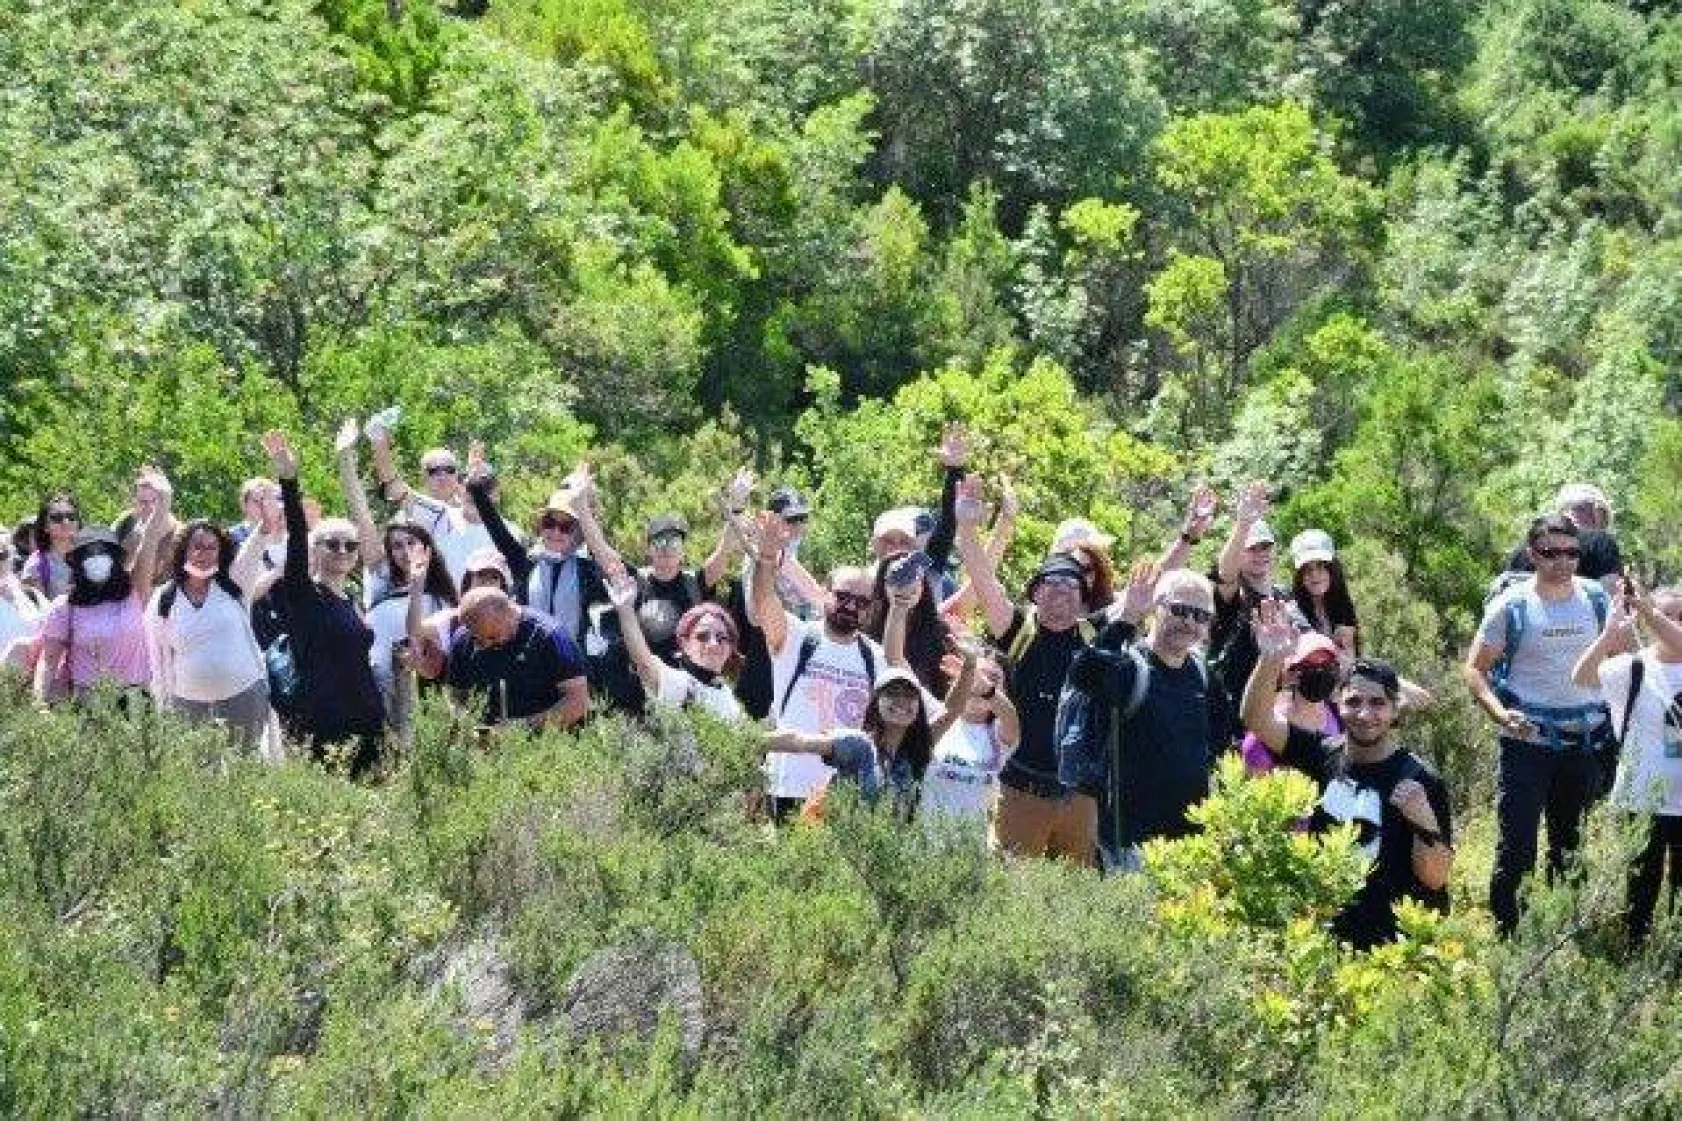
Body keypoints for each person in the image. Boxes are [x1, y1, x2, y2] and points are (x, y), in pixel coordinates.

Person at [1243, 603, 1454, 949]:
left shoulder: (1420, 780)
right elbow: (1256, 719)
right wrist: (1270, 659)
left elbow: (1434, 879)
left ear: (1395, 709)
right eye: (1354, 702)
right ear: (1338, 702)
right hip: (1327, 941)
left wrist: (1424, 822)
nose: (1365, 714)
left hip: (1394, 950)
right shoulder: (1321, 753)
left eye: (1377, 703)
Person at [1464, 514, 1612, 936]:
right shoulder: (1511, 606)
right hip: (1526, 742)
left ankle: (1564, 933)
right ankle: (1509, 935)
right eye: (1550, 553)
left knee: (1571, 843)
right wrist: (1498, 713)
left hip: (1583, 741)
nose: (1562, 561)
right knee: (1518, 846)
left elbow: (1620, 655)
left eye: (1571, 552)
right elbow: (1475, 669)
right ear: (1532, 554)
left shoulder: (1596, 598)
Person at [953, 474, 1110, 862]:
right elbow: (984, 581)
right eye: (1052, 581)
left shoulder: (1094, 636)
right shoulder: (1018, 630)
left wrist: (1188, 537)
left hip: (1080, 797)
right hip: (1021, 790)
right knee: (1011, 889)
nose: (1062, 590)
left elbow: (1145, 597)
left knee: (1076, 892)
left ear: (1084, 597)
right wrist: (967, 528)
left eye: (1072, 584)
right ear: (1036, 591)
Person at [749, 512, 938, 819]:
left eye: (861, 602)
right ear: (825, 595)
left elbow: (913, 698)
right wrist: (767, 559)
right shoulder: (797, 637)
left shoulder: (875, 657)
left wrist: (902, 605)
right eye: (843, 596)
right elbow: (764, 601)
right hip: (788, 785)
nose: (851, 606)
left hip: (846, 794)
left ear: (872, 609)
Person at [1057, 564, 1233, 871]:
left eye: (1201, 615)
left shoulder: (1204, 676)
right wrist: (1126, 618)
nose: (1190, 622)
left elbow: (1219, 744)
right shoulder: (1128, 667)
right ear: (1157, 607)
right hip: (1132, 845)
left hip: (1193, 846)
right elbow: (1083, 673)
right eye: (1180, 610)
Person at [257, 431, 385, 776]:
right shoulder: (303, 595)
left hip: (365, 723)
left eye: (350, 545)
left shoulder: (352, 598)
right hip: (322, 728)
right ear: (315, 550)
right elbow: (297, 537)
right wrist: (288, 479)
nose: (342, 551)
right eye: (332, 544)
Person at [1571, 580, 1682, 948]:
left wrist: (1648, 610)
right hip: (1641, 800)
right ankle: (1637, 955)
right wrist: (1607, 636)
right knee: (1641, 885)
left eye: (1681, 617)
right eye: (1668, 615)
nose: (1673, 623)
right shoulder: (1632, 668)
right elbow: (1581, 678)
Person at [336, 419, 458, 738]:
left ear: (426, 546)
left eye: (411, 543)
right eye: (397, 545)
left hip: (431, 682)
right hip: (379, 678)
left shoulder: (441, 592)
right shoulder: (380, 575)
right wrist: (345, 458)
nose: (405, 551)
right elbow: (360, 512)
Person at [766, 659, 973, 821]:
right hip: (842, 855)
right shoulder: (859, 746)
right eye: (892, 693)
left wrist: (970, 664)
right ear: (875, 704)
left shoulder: (913, 753)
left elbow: (951, 711)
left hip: (888, 858)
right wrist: (752, 741)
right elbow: (799, 741)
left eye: (910, 695)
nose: (901, 701)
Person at [33, 469, 174, 706]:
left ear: (115, 559)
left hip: (136, 702)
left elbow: (149, 541)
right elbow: (48, 661)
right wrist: (39, 702)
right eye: (89, 553)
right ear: (78, 562)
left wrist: (164, 498)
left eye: (104, 552)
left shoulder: (133, 593)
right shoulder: (65, 606)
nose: (97, 558)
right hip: (89, 704)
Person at [462, 445, 608, 650]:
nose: (555, 532)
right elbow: (496, 528)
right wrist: (476, 485)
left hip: (574, 662)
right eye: (550, 522)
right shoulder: (526, 562)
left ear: (579, 533)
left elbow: (609, 562)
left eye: (566, 527)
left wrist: (584, 506)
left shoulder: (587, 570)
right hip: (529, 660)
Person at [144, 519, 271, 750]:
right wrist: (163, 706)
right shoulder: (164, 599)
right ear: (184, 551)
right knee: (197, 769)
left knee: (246, 765)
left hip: (244, 697)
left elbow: (254, 549)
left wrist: (266, 524)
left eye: (212, 547)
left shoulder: (234, 585)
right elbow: (157, 659)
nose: (203, 554)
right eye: (197, 546)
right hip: (188, 705)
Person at [1208, 481, 1305, 732]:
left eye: (1266, 546)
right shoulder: (1232, 598)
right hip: (1237, 720)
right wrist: (1243, 524)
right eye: (1252, 548)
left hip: (1281, 718)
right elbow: (1224, 574)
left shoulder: (1286, 596)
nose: (1261, 553)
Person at [441, 587, 589, 729]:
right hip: (486, 740)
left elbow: (578, 701)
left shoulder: (548, 636)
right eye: (477, 639)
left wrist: (522, 728)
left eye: (493, 637)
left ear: (510, 613)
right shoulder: (462, 640)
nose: (485, 645)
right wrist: (465, 722)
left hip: (547, 738)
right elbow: (454, 695)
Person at [605, 568, 742, 721]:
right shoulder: (680, 683)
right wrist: (626, 611)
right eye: (703, 636)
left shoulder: (726, 693)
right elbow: (645, 665)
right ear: (685, 644)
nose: (713, 644)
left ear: (730, 647)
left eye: (721, 637)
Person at [368, 428, 497, 587]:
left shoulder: (476, 512)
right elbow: (393, 484)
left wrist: (474, 483)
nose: (442, 476)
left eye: (449, 470)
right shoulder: (416, 515)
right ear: (423, 476)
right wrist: (379, 441)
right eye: (434, 471)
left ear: (457, 475)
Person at [919, 649, 1021, 826]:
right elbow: (895, 659)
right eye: (974, 675)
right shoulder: (934, 714)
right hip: (922, 837)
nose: (978, 683)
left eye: (993, 679)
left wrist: (982, 685)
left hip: (970, 841)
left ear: (1004, 692)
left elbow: (1010, 717)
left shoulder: (999, 733)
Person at [1238, 629, 1342, 776]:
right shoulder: (1263, 731)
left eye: (1327, 666)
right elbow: (1253, 789)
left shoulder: (1343, 718)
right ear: (1290, 672)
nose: (1319, 672)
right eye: (1308, 667)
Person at [1504, 482, 1623, 592]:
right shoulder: (1601, 541)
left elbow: (1506, 593)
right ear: (1596, 512)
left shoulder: (1522, 550)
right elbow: (1611, 598)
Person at [1289, 529, 1359, 659]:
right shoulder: (1292, 613)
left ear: (1332, 568)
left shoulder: (1343, 608)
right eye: (1306, 569)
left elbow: (1352, 662)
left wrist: (1348, 646)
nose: (1314, 574)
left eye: (1320, 565)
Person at [22, 492, 82, 600]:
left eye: (71, 516)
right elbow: (36, 608)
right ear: (45, 526)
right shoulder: (36, 565)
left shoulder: (93, 555)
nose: (66, 522)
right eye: (57, 518)